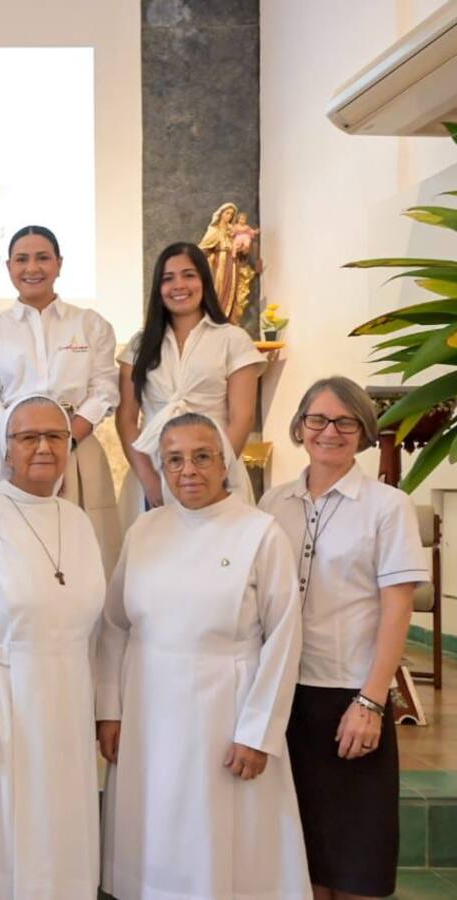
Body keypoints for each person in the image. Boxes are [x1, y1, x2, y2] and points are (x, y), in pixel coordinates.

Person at [96, 412, 311, 900]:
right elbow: (114, 625)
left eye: (201, 457)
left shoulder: (260, 533)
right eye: (174, 460)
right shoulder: (144, 530)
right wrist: (109, 710)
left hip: (224, 719)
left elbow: (283, 639)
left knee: (216, 847)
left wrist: (258, 732)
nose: (188, 470)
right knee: (153, 834)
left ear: (224, 462)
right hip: (148, 714)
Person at [260, 377, 428, 900]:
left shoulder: (387, 506)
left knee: (359, 862)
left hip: (351, 696)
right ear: (300, 427)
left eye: (345, 421)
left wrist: (371, 701)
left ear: (363, 431)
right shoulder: (273, 503)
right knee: (302, 857)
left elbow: (397, 608)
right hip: (287, 696)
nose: (329, 431)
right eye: (317, 419)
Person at [0, 394, 105, 899]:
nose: (43, 447)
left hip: (69, 700)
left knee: (61, 828)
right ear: (6, 448)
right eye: (29, 437)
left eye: (55, 436)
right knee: (1, 835)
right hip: (1, 699)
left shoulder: (77, 519)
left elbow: (92, 625)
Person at [0, 224, 122, 572]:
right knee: (10, 558)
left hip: (77, 447)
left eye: (42, 258)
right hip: (6, 454)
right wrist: (18, 444)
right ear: (9, 267)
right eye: (22, 259)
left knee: (82, 553)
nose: (32, 268)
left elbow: (104, 390)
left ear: (59, 264)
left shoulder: (91, 324)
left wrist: (67, 440)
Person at [116, 241, 264, 528]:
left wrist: (216, 473)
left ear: (204, 281)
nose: (179, 285)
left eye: (188, 275)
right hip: (153, 469)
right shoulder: (139, 344)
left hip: (216, 470)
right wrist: (149, 478)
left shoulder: (232, 339)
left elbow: (242, 417)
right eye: (168, 278)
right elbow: (126, 419)